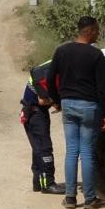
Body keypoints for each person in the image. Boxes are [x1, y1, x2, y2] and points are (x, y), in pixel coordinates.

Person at [46, 16, 105, 209]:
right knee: (87, 152)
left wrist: (56, 101)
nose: (98, 34)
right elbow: (103, 88)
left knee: (72, 151)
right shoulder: (96, 55)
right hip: (89, 106)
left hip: (68, 104)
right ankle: (90, 199)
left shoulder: (62, 50)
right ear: (89, 31)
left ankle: (71, 197)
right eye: (97, 30)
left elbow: (50, 78)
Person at [21, 60, 63, 193]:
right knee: (44, 148)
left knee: (38, 148)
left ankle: (38, 182)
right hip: (35, 113)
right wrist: (59, 102)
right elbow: (42, 100)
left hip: (33, 112)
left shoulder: (50, 66)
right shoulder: (47, 73)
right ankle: (48, 184)